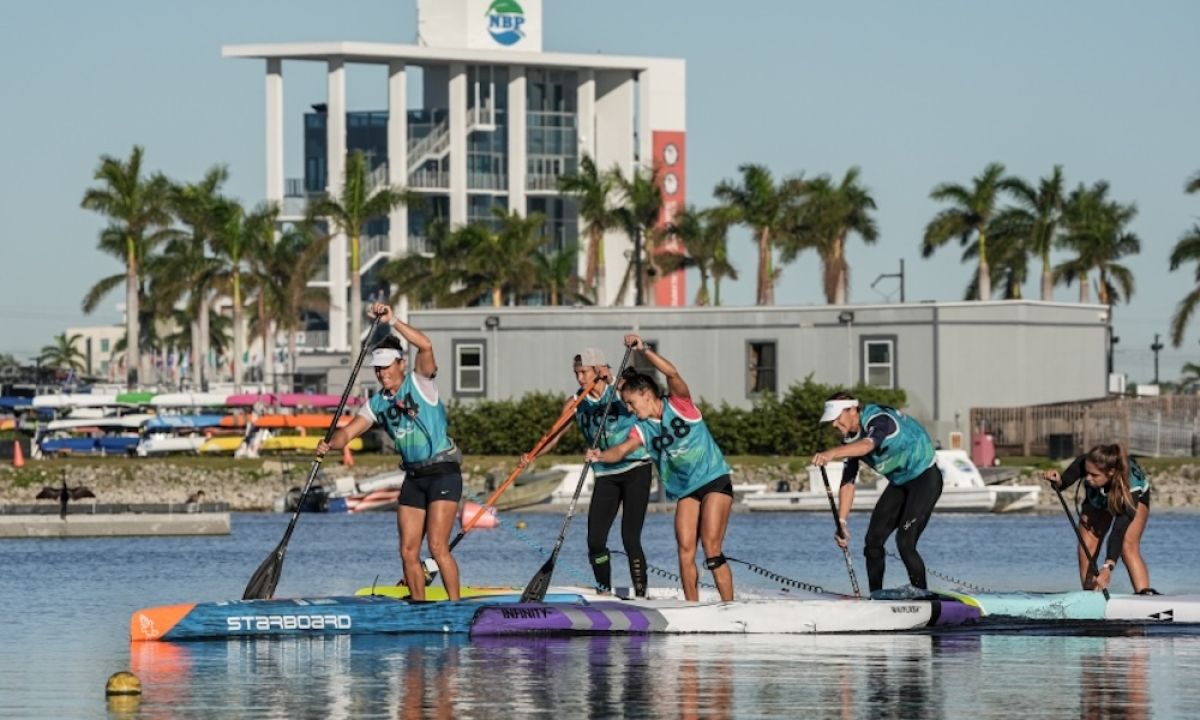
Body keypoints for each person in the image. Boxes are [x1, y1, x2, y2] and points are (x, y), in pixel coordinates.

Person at [317, 302, 462, 601]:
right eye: (378, 369)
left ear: (401, 365)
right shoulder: (376, 403)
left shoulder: (420, 381)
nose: (382, 374)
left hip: (443, 474)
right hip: (414, 478)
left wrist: (393, 320)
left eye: (387, 367)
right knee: (408, 550)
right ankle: (419, 608)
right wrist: (330, 442)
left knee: (437, 546)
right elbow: (348, 432)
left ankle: (455, 606)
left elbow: (425, 345)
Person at [585, 334, 735, 602]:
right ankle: (692, 607)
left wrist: (644, 349)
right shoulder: (641, 428)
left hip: (714, 480)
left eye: (631, 403)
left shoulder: (680, 404)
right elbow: (621, 451)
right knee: (685, 550)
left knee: (711, 549)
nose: (629, 409)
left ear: (645, 394)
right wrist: (599, 455)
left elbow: (672, 373)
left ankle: (730, 607)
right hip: (687, 491)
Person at [532, 348, 653, 596]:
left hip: (636, 468)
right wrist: (531, 455)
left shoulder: (621, 391)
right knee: (595, 542)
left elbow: (640, 404)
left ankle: (642, 595)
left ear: (598, 370)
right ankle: (603, 591)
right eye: (576, 373)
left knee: (630, 538)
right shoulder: (576, 403)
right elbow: (553, 436)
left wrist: (613, 381)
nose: (580, 379)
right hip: (605, 474)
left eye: (584, 372)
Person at [812, 392, 942, 594]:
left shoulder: (880, 419)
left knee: (905, 542)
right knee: (873, 541)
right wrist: (842, 523)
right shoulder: (850, 440)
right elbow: (848, 482)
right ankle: (876, 597)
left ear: (853, 410)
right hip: (899, 483)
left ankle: (923, 598)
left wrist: (832, 453)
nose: (834, 424)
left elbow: (868, 445)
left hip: (925, 478)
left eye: (837, 418)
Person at [1044, 443, 1155, 594]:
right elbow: (1063, 482)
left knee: (1127, 546)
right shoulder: (1086, 462)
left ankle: (1145, 595)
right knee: (1087, 547)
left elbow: (1118, 531)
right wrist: (1056, 481)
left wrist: (1108, 566)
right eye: (1087, 473)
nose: (1088, 478)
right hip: (1097, 498)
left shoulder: (1131, 488)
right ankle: (1091, 594)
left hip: (1129, 496)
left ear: (1111, 472)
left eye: (1094, 475)